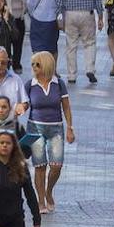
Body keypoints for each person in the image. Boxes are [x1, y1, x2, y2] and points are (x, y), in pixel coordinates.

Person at [24, 51, 75, 214]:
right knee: (40, 166)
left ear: (46, 65)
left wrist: (70, 128)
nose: (34, 68)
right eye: (32, 64)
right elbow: (24, 104)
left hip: (56, 129)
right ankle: (40, 200)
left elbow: (66, 106)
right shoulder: (30, 84)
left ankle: (49, 191)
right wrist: (19, 108)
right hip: (35, 128)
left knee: (56, 166)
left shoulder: (58, 84)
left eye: (37, 64)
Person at [55, 0, 104, 83]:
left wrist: (58, 16)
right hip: (87, 14)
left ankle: (71, 75)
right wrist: (100, 16)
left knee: (71, 45)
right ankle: (90, 69)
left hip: (70, 14)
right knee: (89, 42)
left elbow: (59, 0)